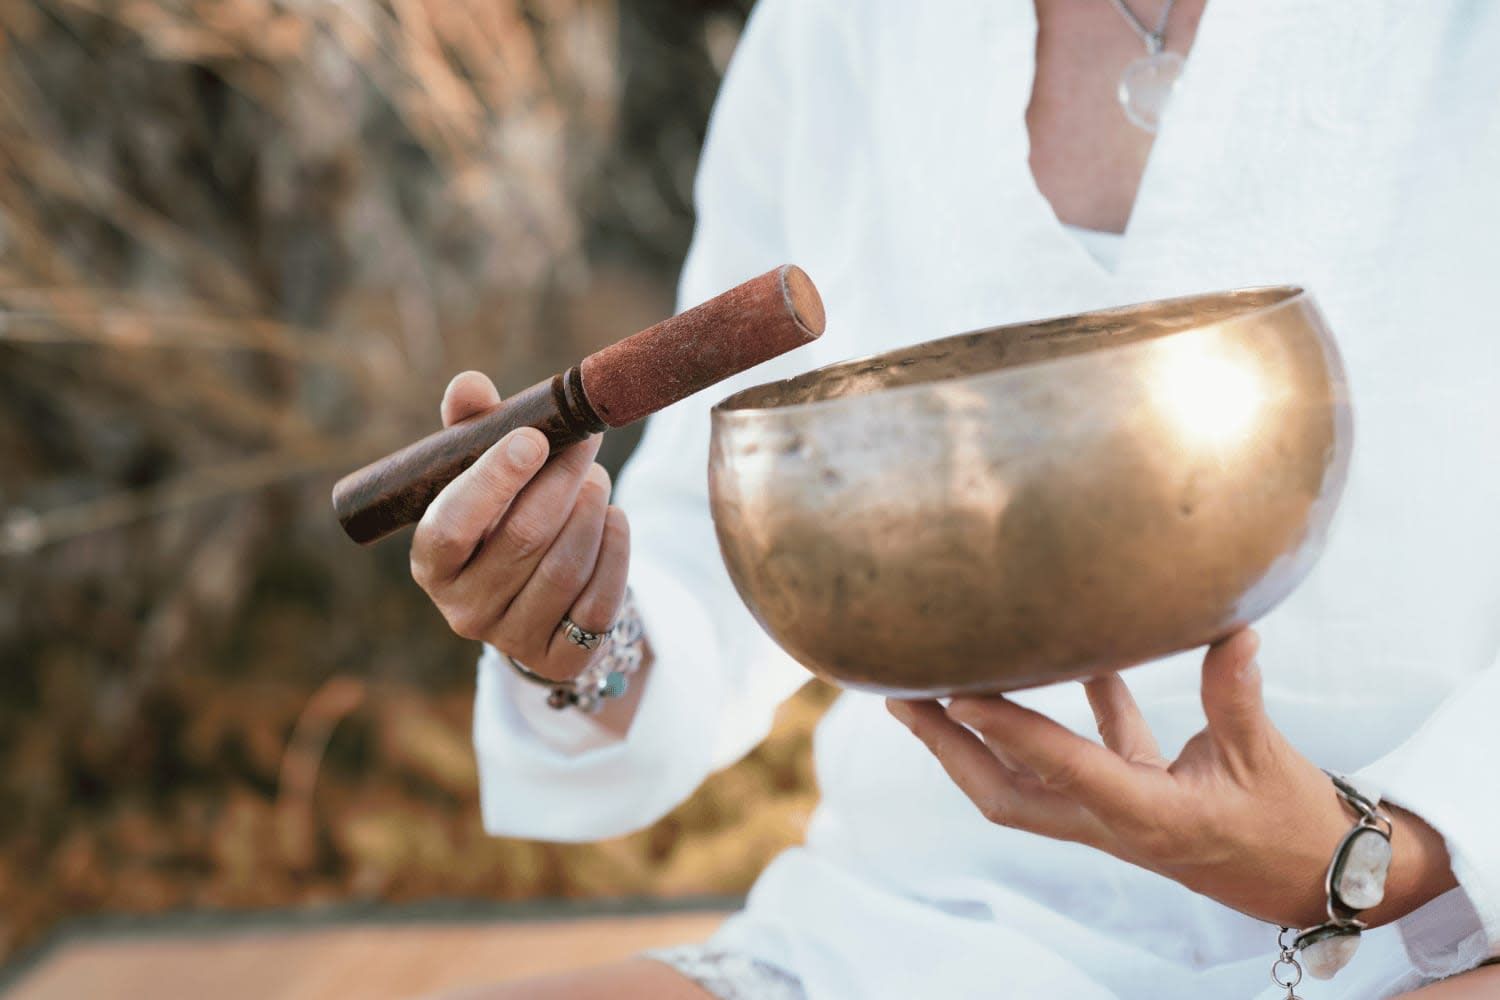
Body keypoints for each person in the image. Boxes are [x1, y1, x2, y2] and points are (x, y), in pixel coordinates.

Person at [410, 1, 1500, 996]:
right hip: (918, 931)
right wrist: (576, 627)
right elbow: (730, 540)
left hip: (1427, 929)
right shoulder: (842, 26)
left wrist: (1372, 853)